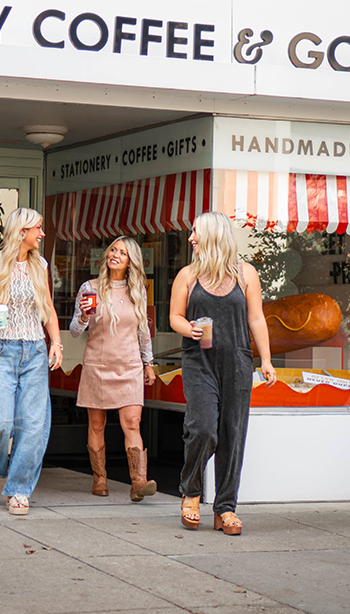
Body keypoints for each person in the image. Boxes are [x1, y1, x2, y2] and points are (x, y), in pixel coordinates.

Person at [169, 211, 277, 535]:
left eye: (195, 233)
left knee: (233, 434)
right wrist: (188, 328)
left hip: (237, 362)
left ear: (212, 235)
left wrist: (267, 360)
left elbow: (256, 319)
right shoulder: (187, 275)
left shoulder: (246, 275)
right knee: (202, 428)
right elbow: (174, 316)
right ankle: (191, 492)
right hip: (199, 361)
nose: (190, 238)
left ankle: (225, 508)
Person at [0, 208, 63, 516]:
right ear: (21, 232)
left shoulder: (40, 264)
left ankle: (19, 489)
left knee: (33, 425)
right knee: (0, 420)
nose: (42, 233)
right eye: (37, 228)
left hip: (33, 349)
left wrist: (56, 342)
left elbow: (47, 305)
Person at [70, 236, 158, 501]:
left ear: (131, 261)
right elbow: (75, 331)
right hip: (97, 365)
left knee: (132, 422)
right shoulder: (90, 287)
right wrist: (84, 316)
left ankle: (138, 482)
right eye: (113, 250)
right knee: (97, 424)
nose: (115, 255)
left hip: (129, 365)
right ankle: (100, 479)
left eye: (122, 252)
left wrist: (149, 363)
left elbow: (144, 330)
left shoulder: (137, 290)